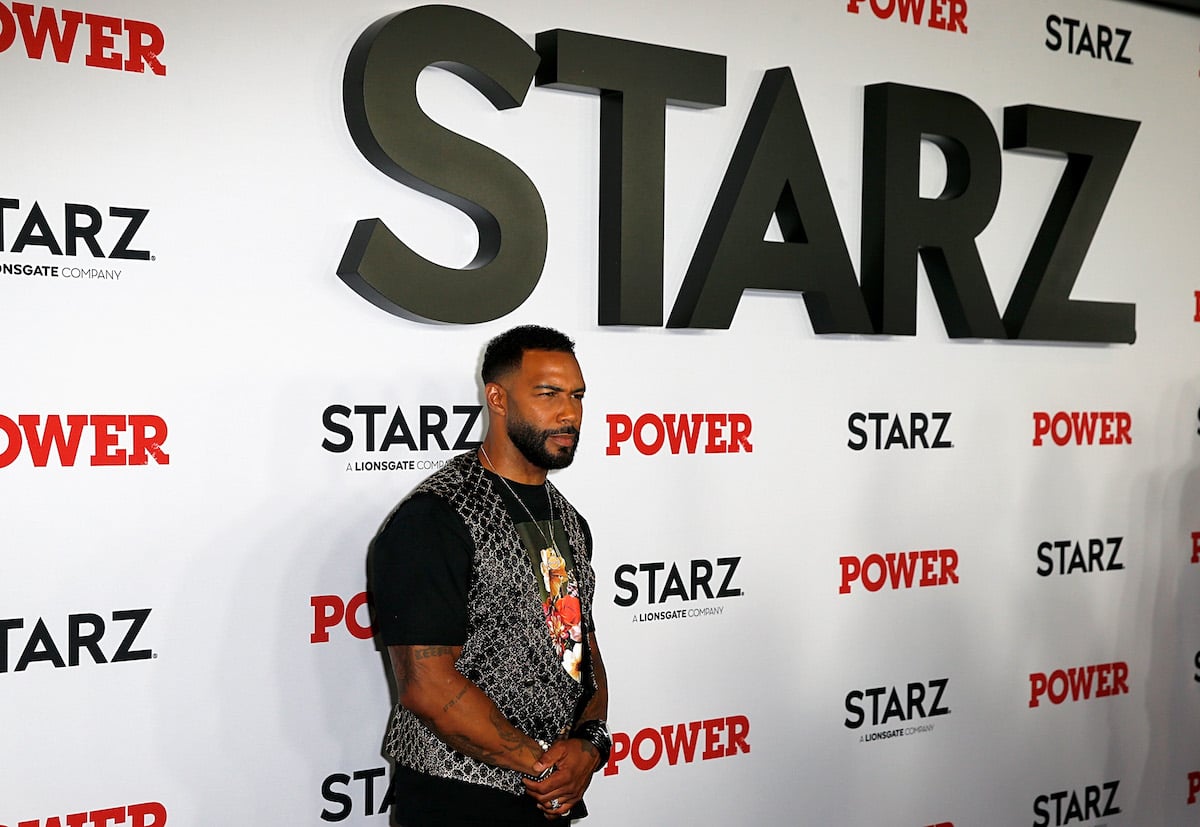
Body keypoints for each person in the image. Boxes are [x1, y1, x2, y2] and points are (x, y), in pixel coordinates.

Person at [370, 325, 610, 827]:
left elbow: (581, 649)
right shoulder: (435, 517)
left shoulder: (568, 520)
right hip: (457, 802)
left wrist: (591, 744)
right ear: (497, 398)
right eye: (548, 394)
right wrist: (543, 767)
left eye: (577, 396)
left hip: (548, 799)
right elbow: (426, 685)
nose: (569, 413)